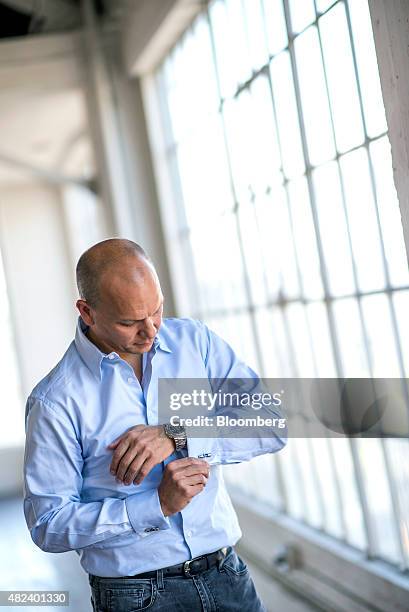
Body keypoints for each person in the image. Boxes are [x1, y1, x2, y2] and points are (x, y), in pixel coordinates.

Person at [23, 238, 287, 611]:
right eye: (129, 322)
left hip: (228, 575)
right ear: (87, 312)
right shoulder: (55, 401)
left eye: (157, 311)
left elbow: (271, 422)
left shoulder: (195, 342)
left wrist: (176, 433)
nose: (150, 331)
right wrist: (156, 505)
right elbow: (49, 524)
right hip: (136, 597)